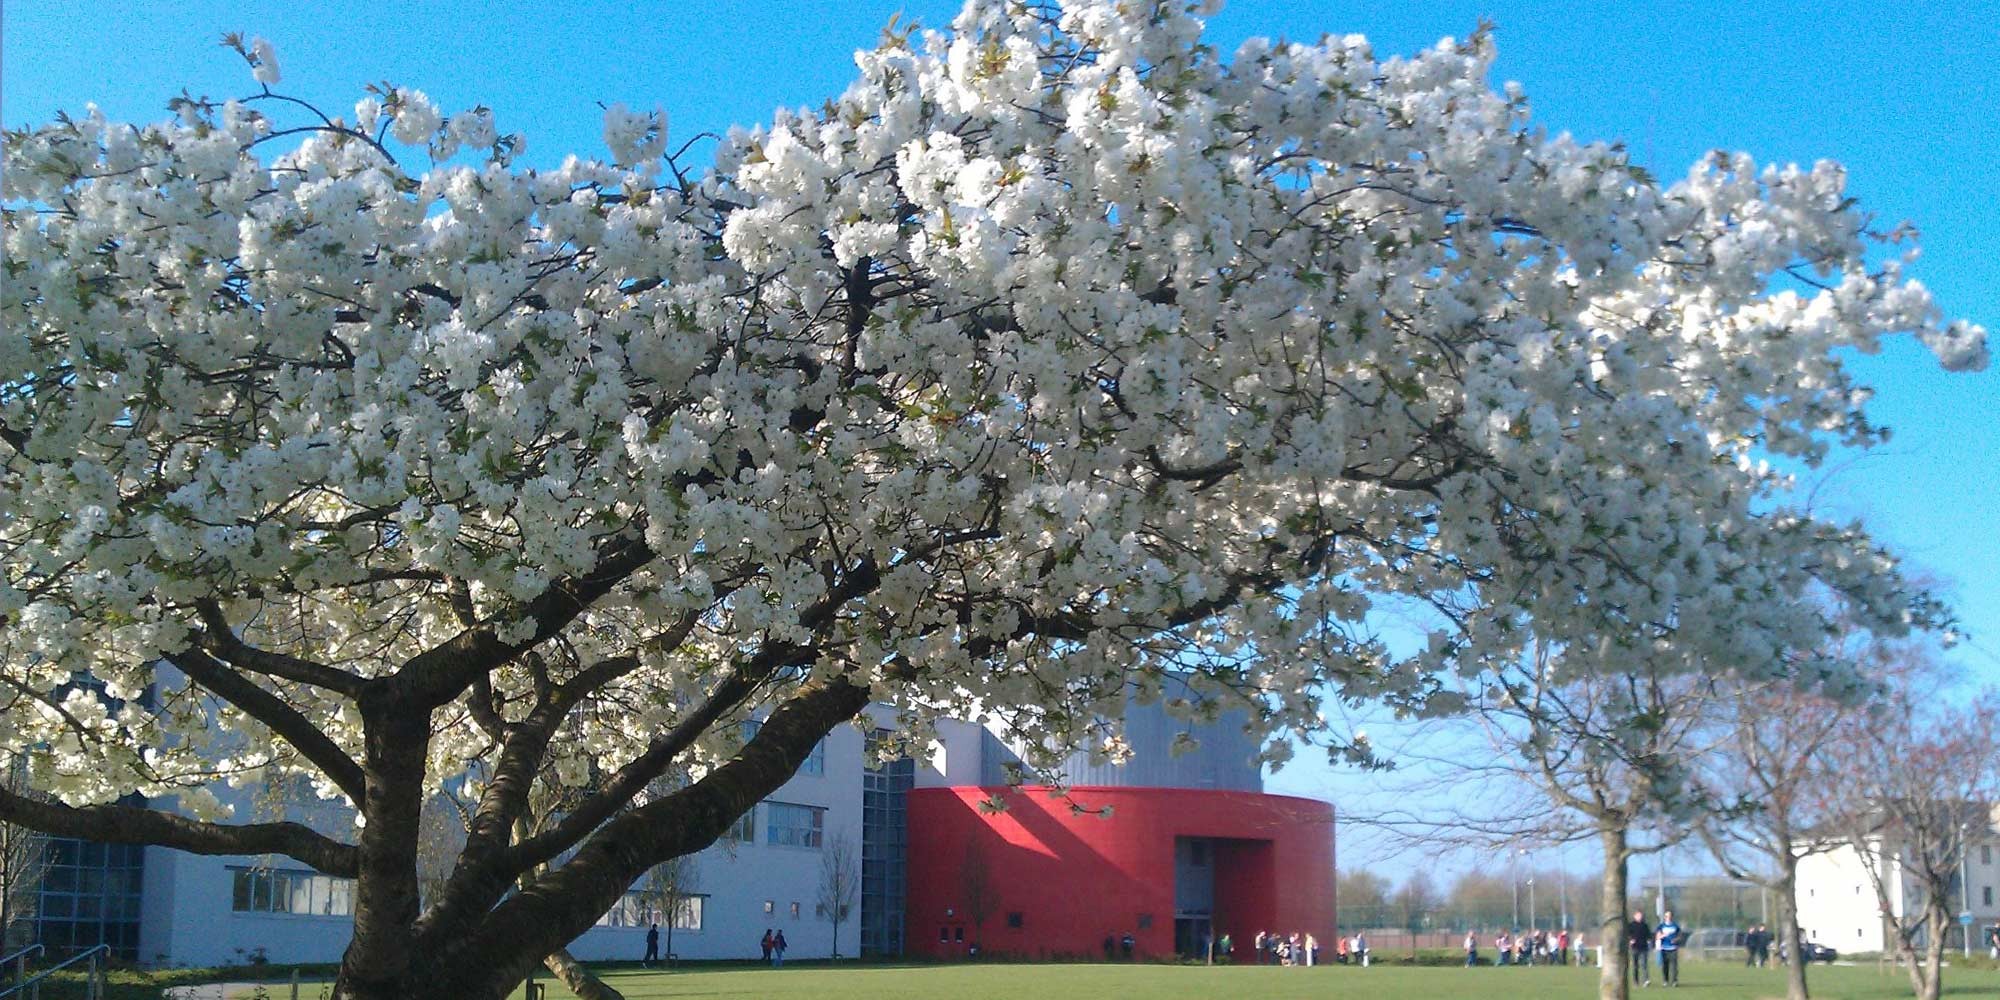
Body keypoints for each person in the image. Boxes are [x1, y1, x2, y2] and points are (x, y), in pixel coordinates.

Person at [1655, 909, 1682, 987]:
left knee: (1674, 966)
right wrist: (1663, 935)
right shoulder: (1661, 926)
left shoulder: (1675, 926)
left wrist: (1675, 940)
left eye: (1670, 916)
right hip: (1664, 948)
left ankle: (1674, 981)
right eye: (1667, 916)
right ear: (1664, 917)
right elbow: (1657, 937)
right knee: (1665, 966)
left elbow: (1680, 936)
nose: (1668, 917)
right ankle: (1665, 981)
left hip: (1673, 948)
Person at [1625, 910, 1652, 987]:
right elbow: (1627, 934)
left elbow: (1649, 935)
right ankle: (1635, 981)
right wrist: (1630, 940)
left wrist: (1649, 941)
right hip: (1635, 948)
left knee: (1644, 965)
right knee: (1635, 966)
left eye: (1641, 915)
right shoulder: (1631, 925)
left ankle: (1646, 980)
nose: (1640, 917)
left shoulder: (1645, 925)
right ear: (1635, 916)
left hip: (1644, 947)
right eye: (1638, 915)